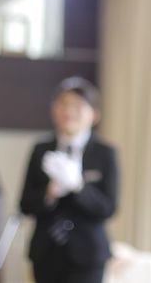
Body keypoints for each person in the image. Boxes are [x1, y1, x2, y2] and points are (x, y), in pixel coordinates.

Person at [20, 76, 119, 283]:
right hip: (45, 253)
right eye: (63, 103)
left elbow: (108, 208)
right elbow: (25, 204)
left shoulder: (105, 153)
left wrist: (79, 187)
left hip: (88, 256)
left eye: (78, 105)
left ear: (94, 114)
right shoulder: (41, 150)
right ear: (53, 110)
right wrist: (49, 194)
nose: (69, 111)